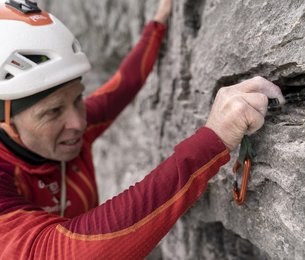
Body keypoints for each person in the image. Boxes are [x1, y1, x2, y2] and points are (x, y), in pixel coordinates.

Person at [0, 0, 285, 258]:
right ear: (5, 121)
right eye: (52, 111)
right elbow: (58, 253)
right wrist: (212, 140)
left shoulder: (60, 132)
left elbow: (123, 85)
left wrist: (157, 24)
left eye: (77, 99)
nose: (78, 123)